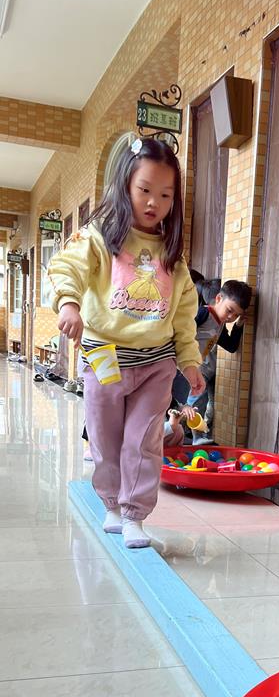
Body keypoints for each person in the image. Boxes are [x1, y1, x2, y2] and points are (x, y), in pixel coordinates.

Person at [48, 136, 205, 548]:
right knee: (106, 437)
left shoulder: (172, 255)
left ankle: (135, 515)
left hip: (156, 364)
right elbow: (67, 266)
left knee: (143, 440)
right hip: (105, 355)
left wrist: (190, 361)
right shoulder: (100, 237)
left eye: (165, 195)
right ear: (125, 186)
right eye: (145, 190)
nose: (154, 202)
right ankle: (112, 506)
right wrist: (69, 304)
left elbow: (184, 314)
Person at [186, 277, 252, 443]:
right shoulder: (204, 314)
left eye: (236, 315)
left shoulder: (220, 324)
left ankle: (194, 436)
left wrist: (238, 325)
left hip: (194, 370)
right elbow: (181, 329)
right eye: (229, 310)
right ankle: (196, 437)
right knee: (194, 401)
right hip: (183, 366)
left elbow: (230, 345)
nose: (231, 317)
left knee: (195, 403)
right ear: (218, 299)